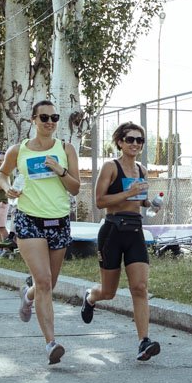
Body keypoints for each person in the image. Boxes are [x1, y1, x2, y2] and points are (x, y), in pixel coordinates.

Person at [0, 100, 80, 365]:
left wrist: (60, 170)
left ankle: (27, 294)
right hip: (28, 219)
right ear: (33, 120)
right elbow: (2, 174)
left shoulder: (66, 149)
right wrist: (7, 187)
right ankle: (51, 343)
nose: (50, 122)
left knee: (48, 284)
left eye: (54, 117)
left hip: (59, 220)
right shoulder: (18, 150)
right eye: (44, 117)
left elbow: (75, 187)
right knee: (43, 281)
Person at [78, 122, 162, 362]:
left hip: (135, 230)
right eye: (130, 139)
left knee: (140, 287)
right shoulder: (110, 167)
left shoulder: (142, 169)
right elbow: (99, 201)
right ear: (120, 142)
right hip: (112, 230)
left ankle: (143, 341)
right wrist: (128, 193)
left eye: (139, 140)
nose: (135, 144)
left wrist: (150, 203)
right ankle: (90, 297)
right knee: (108, 292)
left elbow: (140, 200)